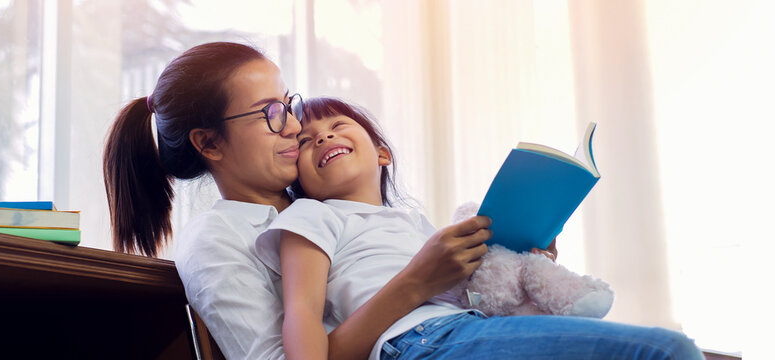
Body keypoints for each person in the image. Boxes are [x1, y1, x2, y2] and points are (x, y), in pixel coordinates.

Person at [103, 42, 491, 360]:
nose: (293, 125)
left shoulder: (331, 201)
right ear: (209, 143)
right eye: (271, 113)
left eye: (288, 105)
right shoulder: (215, 238)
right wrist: (415, 283)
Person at [254, 97, 705, 360]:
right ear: (300, 180)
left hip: (464, 328)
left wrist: (524, 252)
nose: (323, 139)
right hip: (421, 343)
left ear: (382, 154)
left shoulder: (415, 224)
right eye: (307, 141)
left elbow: (474, 295)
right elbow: (302, 315)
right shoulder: (311, 217)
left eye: (336, 126)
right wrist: (419, 280)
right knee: (668, 352)